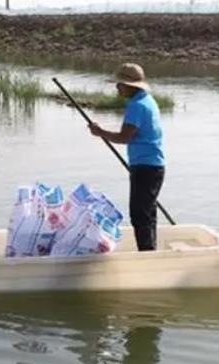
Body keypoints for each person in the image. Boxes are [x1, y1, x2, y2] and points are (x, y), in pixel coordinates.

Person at [88, 63, 165, 251]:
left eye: (120, 84)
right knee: (147, 212)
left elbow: (124, 137)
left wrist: (100, 132)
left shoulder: (137, 106)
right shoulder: (147, 100)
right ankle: (150, 251)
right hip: (151, 165)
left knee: (140, 214)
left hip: (146, 167)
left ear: (132, 86)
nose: (117, 87)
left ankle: (147, 256)